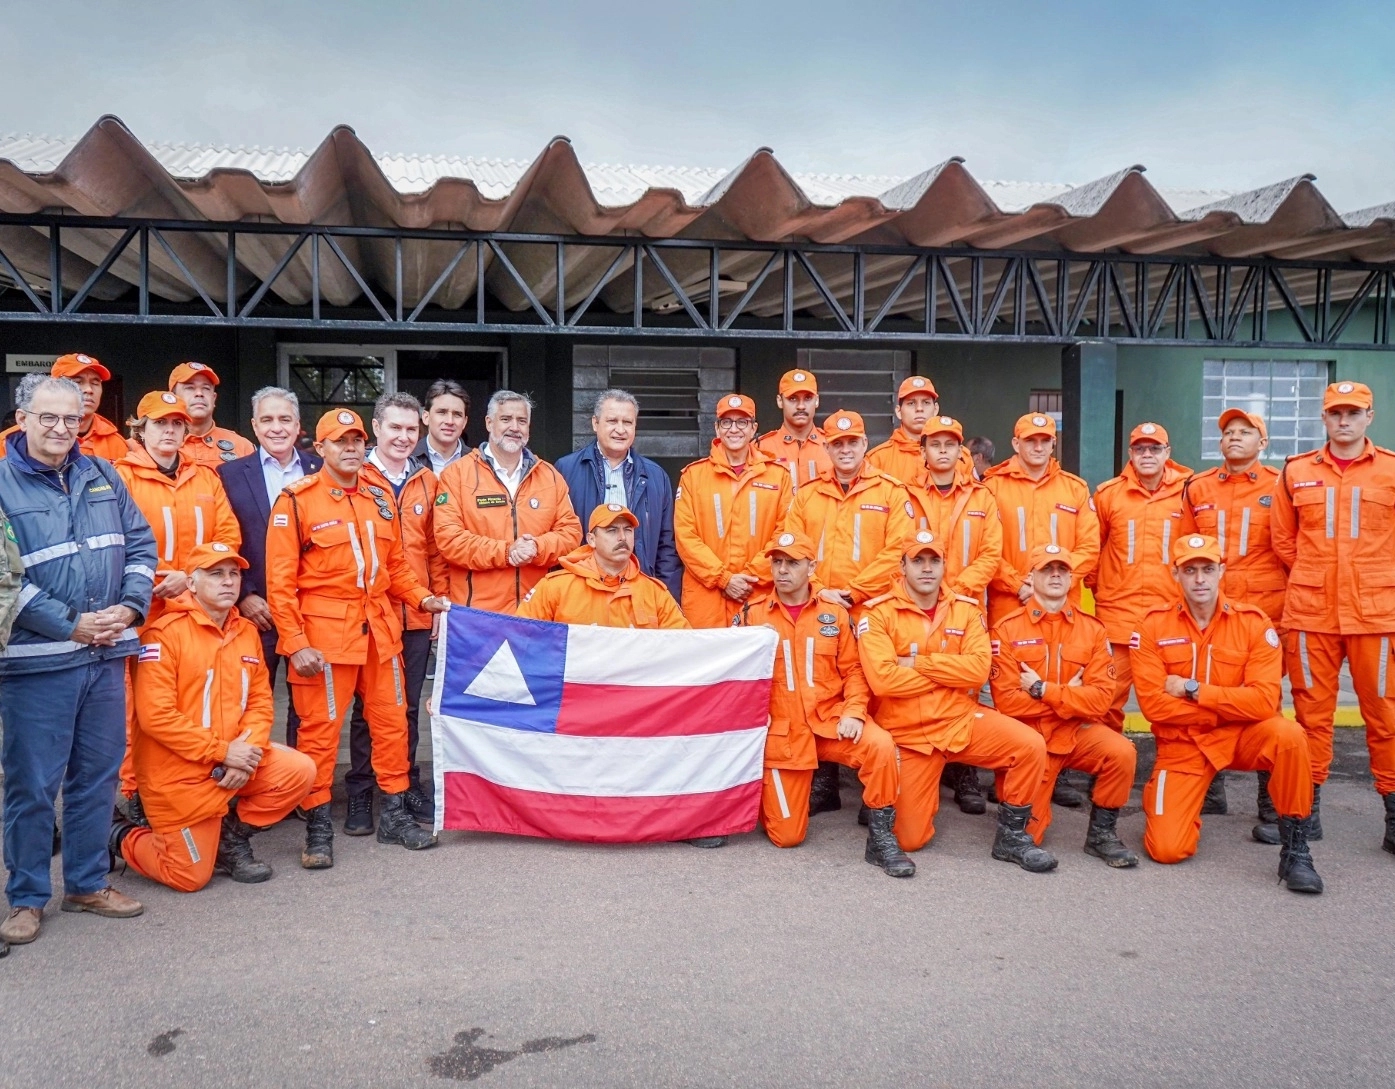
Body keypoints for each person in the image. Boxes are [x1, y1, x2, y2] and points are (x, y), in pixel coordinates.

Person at [0, 373, 156, 949]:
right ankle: (27, 897)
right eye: (48, 417)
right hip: (39, 662)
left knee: (96, 778)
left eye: (72, 418)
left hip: (107, 653)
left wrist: (132, 606)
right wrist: (71, 623)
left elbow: (140, 544)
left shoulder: (102, 473)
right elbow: (4, 581)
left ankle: (87, 884)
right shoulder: (2, 484)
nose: (62, 428)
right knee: (33, 785)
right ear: (22, 419)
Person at [265, 409, 450, 868]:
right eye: (339, 441)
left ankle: (394, 817)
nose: (349, 448)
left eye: (356, 440)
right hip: (325, 639)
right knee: (320, 736)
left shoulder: (377, 496)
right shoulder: (297, 500)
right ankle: (318, 828)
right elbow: (280, 584)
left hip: (380, 631)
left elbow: (397, 567)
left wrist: (423, 599)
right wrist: (295, 642)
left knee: (393, 725)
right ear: (321, 448)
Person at [110, 543, 316, 892]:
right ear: (190, 584)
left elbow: (261, 702)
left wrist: (243, 754)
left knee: (299, 772)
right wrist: (223, 752)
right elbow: (155, 716)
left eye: (234, 574)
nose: (228, 582)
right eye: (215, 573)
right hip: (179, 773)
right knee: (188, 877)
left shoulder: (246, 632)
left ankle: (228, 839)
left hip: (228, 762)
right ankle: (118, 833)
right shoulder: (162, 634)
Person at [1132, 534, 1322, 893]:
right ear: (1176, 574)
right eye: (1190, 570)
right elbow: (1154, 706)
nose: (1199, 579)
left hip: (1243, 738)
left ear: (1222, 571)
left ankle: (1297, 848)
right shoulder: (1152, 626)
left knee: (1289, 735)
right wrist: (1230, 708)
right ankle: (1179, 806)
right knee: (1167, 849)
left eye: (1207, 569)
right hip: (1183, 746)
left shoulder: (1253, 623)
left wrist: (1193, 690)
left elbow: (1265, 702)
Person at [857, 531, 1055, 872]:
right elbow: (883, 680)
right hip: (910, 734)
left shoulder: (966, 610)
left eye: (934, 560)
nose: (927, 568)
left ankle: (1012, 838)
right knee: (909, 839)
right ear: (901, 566)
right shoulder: (877, 614)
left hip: (960, 719)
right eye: (917, 561)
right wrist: (950, 673)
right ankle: (903, 798)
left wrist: (917, 662)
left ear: (945, 565)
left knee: (1030, 745)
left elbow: (978, 670)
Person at [731, 530, 909, 876]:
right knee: (787, 836)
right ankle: (769, 797)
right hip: (784, 733)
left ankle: (882, 838)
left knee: (881, 745)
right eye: (777, 563)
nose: (782, 571)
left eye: (793, 563)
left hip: (830, 720)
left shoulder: (835, 614)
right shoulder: (753, 614)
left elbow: (856, 671)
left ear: (812, 566)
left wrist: (856, 712)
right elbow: (739, 679)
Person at [1272, 380, 1395, 854]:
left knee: (1385, 716)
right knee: (1310, 718)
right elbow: (1284, 541)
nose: (1343, 421)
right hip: (1311, 614)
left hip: (1377, 616)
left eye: (1353, 413)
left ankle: (1392, 812)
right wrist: (1315, 577)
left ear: (1370, 416)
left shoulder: (1389, 469)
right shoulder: (1297, 471)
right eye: (1335, 413)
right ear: (1323, 419)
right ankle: (1309, 808)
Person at [780, 408, 917, 814]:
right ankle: (825, 783)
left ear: (864, 445)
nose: (844, 450)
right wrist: (821, 591)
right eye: (836, 444)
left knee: (876, 690)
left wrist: (854, 592)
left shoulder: (890, 492)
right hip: (820, 606)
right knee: (823, 687)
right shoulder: (807, 494)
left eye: (852, 442)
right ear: (826, 446)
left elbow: (899, 550)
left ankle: (874, 786)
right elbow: (795, 549)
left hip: (871, 608)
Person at [114, 391, 241, 800]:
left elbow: (228, 536)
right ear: (141, 428)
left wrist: (188, 577)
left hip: (196, 609)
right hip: (144, 610)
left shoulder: (205, 476)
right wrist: (152, 579)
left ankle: (199, 787)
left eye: (176, 424)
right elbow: (114, 543)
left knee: (196, 699)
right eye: (160, 424)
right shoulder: (120, 476)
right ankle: (135, 794)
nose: (169, 431)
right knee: (138, 707)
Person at [988, 545, 1139, 866]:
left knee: (1122, 751)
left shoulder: (1094, 630)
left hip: (1075, 735)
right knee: (1031, 835)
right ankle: (1013, 822)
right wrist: (1072, 697)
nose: (1055, 575)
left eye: (1062, 570)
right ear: (1031, 577)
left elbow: (1100, 701)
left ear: (1072, 578)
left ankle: (1102, 835)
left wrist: (1043, 690)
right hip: (1033, 743)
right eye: (1046, 569)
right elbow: (1008, 702)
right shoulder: (1007, 628)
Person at [343, 393, 449, 834]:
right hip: (371, 615)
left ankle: (402, 787)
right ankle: (360, 792)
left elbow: (436, 551)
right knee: (369, 709)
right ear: (377, 428)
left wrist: (437, 602)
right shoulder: (355, 476)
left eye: (411, 430)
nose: (403, 437)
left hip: (418, 615)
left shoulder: (427, 481)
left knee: (407, 710)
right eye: (395, 428)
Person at [1180, 408, 1287, 834]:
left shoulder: (1281, 486)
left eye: (1246, 433)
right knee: (1206, 686)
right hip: (1210, 609)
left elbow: (1292, 547)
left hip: (1263, 611)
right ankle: (1211, 783)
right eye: (1228, 432)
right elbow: (1184, 550)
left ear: (1263, 443)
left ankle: (1272, 798)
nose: (1235, 438)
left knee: (1266, 701)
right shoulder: (1199, 487)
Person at [906, 414, 1004, 815]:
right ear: (924, 450)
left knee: (965, 687)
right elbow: (900, 546)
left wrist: (956, 591)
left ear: (961, 450)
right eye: (935, 444)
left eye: (950, 444)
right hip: (917, 605)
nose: (942, 451)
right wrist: (931, 590)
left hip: (964, 606)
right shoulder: (908, 495)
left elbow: (991, 554)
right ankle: (919, 767)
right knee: (919, 681)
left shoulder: (981, 497)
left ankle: (964, 775)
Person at [218, 387, 323, 749]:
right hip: (255, 611)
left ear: (298, 426)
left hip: (311, 610)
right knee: (246, 701)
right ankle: (248, 786)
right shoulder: (228, 475)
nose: (276, 428)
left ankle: (300, 789)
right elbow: (224, 540)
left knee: (309, 709)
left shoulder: (322, 469)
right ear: (253, 426)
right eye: (267, 420)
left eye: (284, 420)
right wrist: (243, 594)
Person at [434, 390, 583, 613]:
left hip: (537, 612)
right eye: (506, 419)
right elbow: (449, 539)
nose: (515, 427)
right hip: (477, 616)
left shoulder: (550, 476)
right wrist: (507, 551)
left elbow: (571, 533)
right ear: (489, 422)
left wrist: (536, 548)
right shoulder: (456, 475)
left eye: (521, 421)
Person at [1090, 423, 1192, 735]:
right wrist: (1102, 591)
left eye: (1155, 448)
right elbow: (1093, 548)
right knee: (1107, 700)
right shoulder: (1108, 495)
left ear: (1168, 453)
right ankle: (1107, 771)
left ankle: (1180, 771)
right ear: (1131, 454)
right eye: (1140, 449)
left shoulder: (1190, 491)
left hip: (1171, 617)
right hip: (1118, 617)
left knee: (1176, 700)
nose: (1147, 454)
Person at [672, 394, 792, 628]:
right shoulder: (693, 476)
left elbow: (785, 534)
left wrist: (750, 578)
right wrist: (724, 579)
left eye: (742, 422)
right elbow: (685, 537)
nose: (734, 429)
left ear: (753, 429)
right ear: (717, 429)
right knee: (707, 662)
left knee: (760, 662)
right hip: (706, 598)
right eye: (727, 422)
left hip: (758, 592)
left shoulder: (779, 476)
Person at [556, 389, 680, 595]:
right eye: (612, 421)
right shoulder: (565, 470)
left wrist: (668, 596)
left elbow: (666, 546)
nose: (620, 430)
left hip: (639, 588)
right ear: (595, 423)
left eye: (627, 422)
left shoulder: (656, 476)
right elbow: (558, 532)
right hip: (581, 589)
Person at [982, 412, 1099, 626]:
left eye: (1045, 441)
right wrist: (1018, 585)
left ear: (1053, 444)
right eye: (1030, 441)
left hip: (1063, 605)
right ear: (1016, 444)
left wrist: (1054, 585)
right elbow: (985, 550)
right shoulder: (992, 488)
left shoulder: (1075, 489)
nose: (1038, 448)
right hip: (1011, 603)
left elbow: (1089, 547)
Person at [518, 503, 688, 629]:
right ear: (591, 539)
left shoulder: (655, 593)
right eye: (611, 530)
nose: (622, 537)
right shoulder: (555, 588)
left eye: (628, 530)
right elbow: (520, 637)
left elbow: (683, 648)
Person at [0, 354, 129, 462]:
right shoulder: (8, 442)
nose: (89, 390)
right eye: (78, 382)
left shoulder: (116, 443)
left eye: (95, 383)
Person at [167, 361, 254, 468]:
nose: (199, 393)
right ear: (173, 398)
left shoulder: (242, 446)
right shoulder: (156, 445)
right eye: (190, 388)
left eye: (206, 388)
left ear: (214, 398)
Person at [755, 368, 831, 489]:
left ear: (816, 401)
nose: (801, 406)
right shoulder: (760, 448)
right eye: (793, 398)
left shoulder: (832, 445)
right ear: (780, 401)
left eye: (807, 398)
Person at [414, 378, 471, 476]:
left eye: (457, 414)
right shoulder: (407, 459)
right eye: (441, 412)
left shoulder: (478, 462)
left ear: (464, 422)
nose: (449, 421)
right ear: (426, 417)